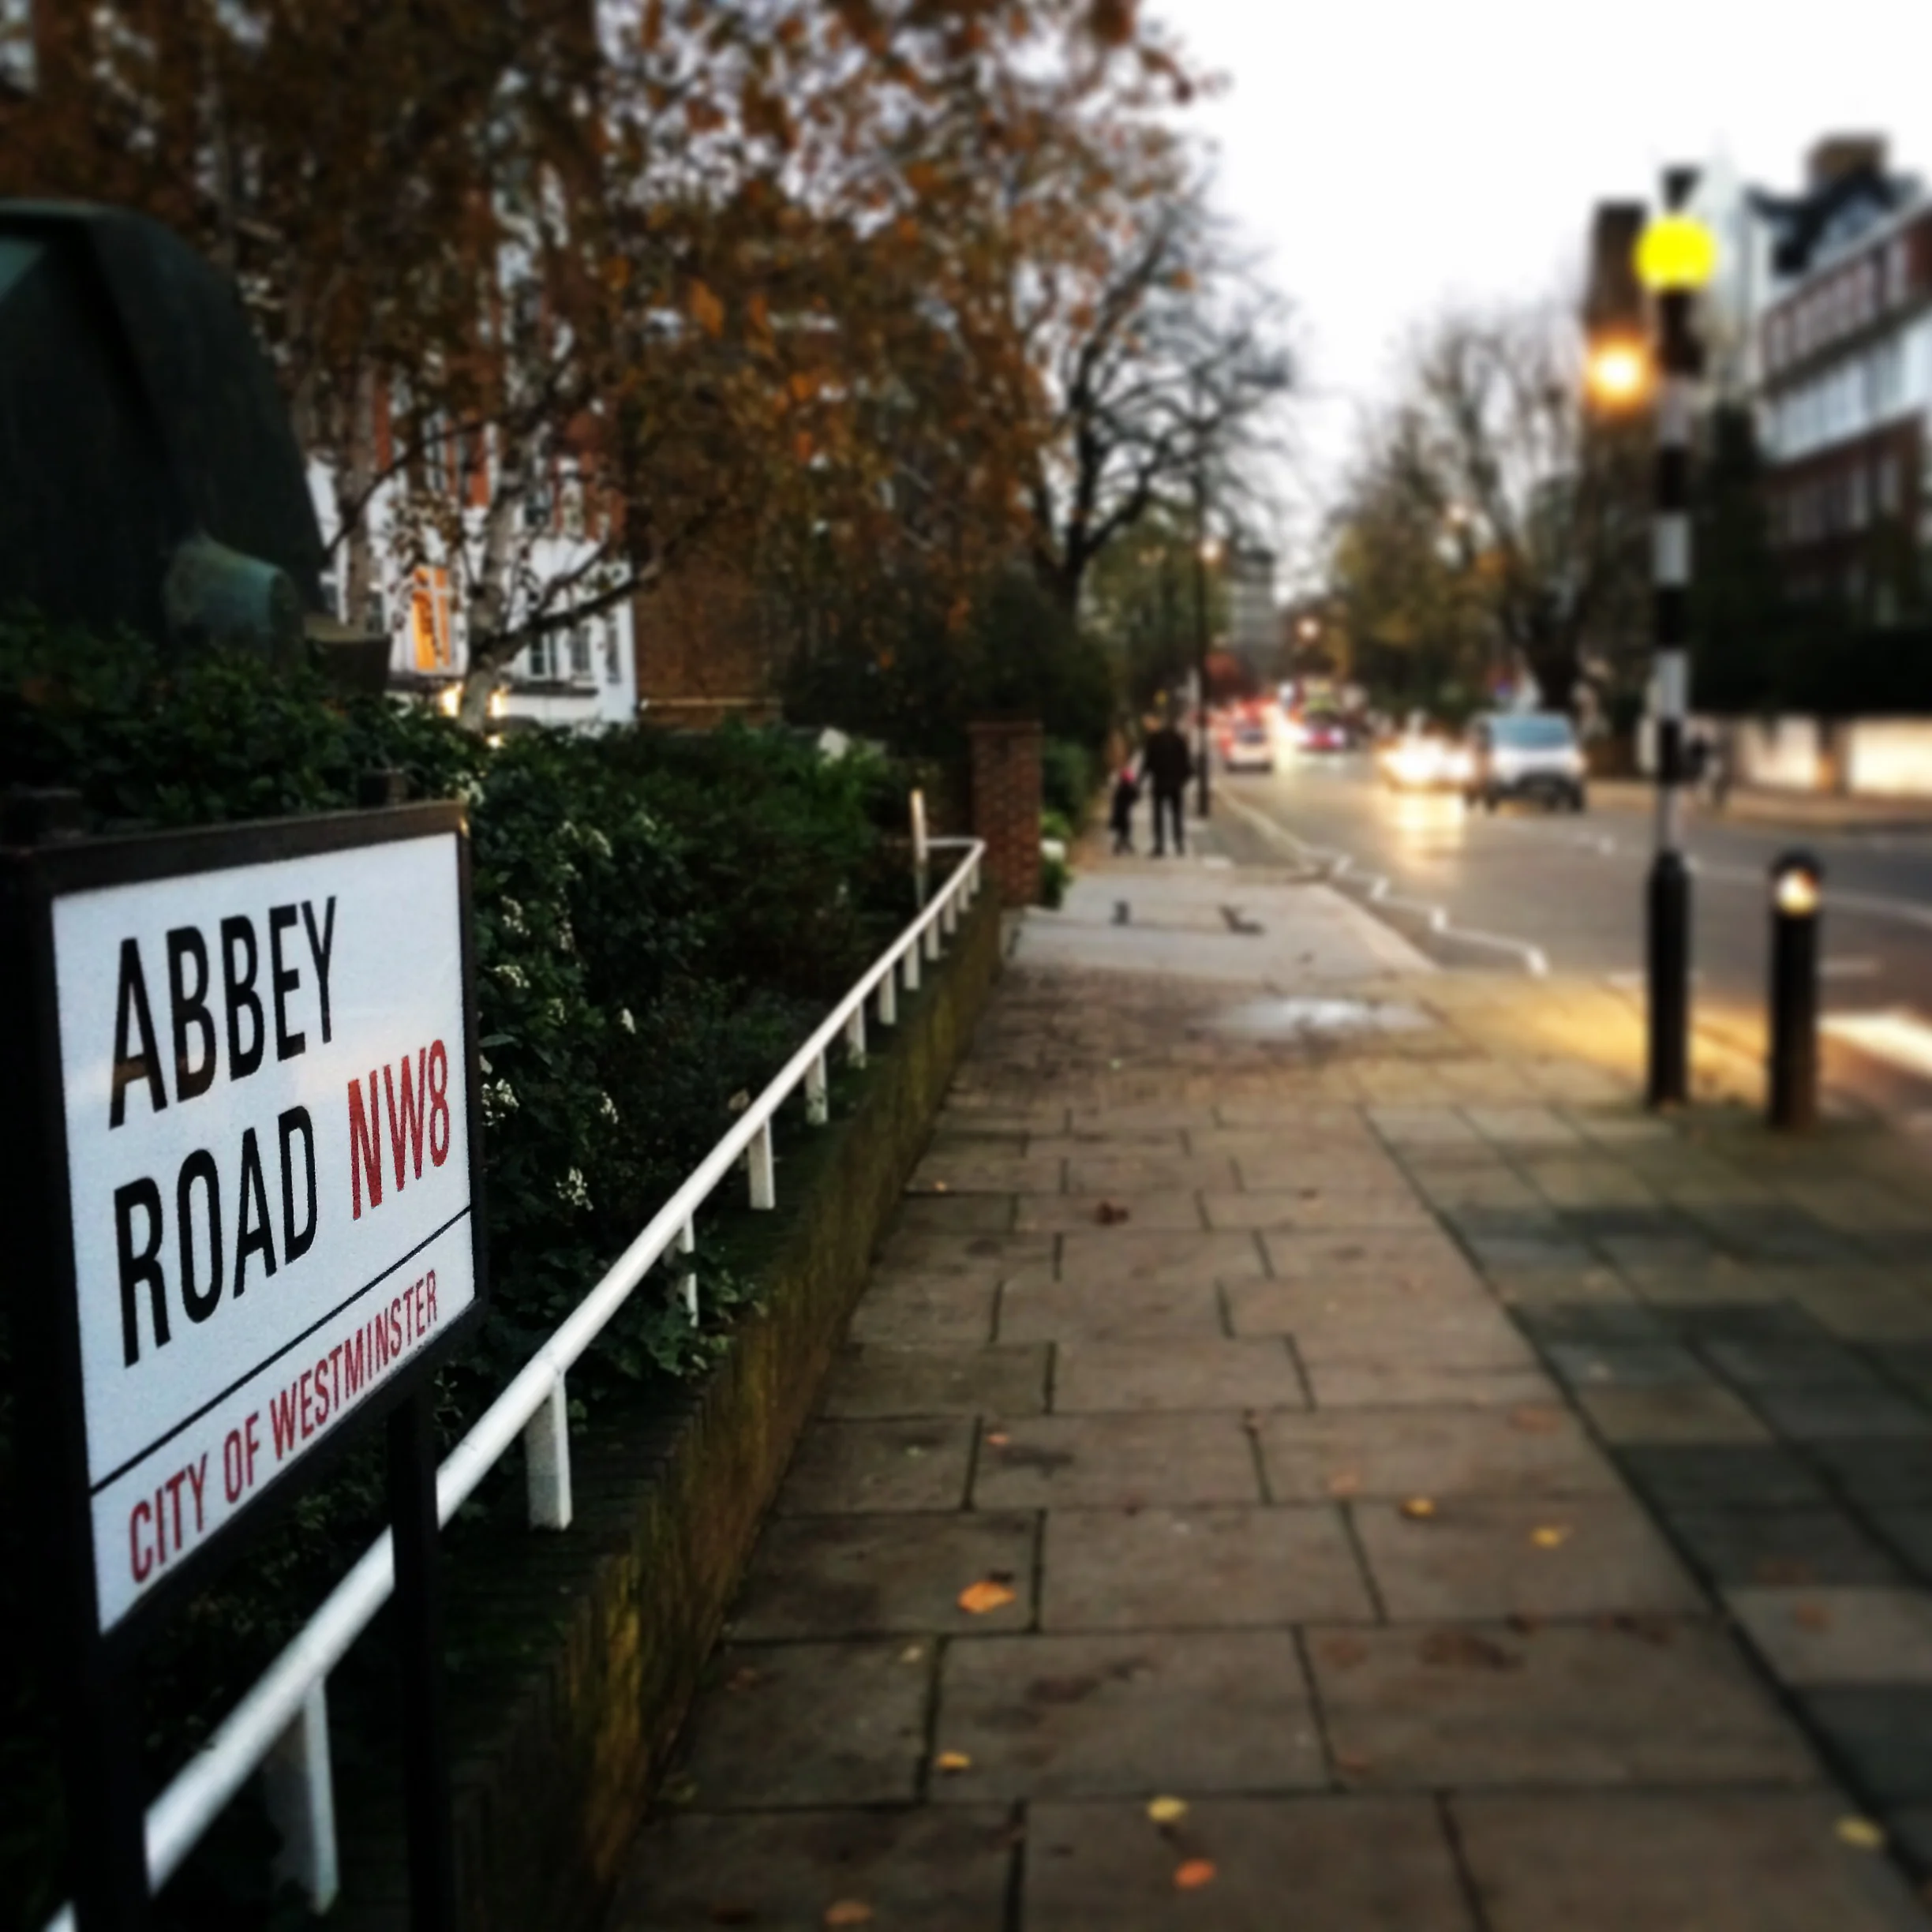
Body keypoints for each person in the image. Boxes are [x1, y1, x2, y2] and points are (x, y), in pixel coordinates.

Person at [1141, 716, 1194, 856]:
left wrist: (1140, 781)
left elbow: (1147, 762)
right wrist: (1183, 780)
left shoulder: (1154, 740)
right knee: (1177, 814)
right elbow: (1187, 762)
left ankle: (1159, 845)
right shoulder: (1179, 740)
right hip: (1175, 784)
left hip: (1159, 782)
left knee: (1158, 815)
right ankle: (1179, 844)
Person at [1108, 751, 1141, 854]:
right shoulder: (1124, 777)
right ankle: (1123, 843)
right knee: (1124, 824)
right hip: (1123, 805)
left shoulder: (1121, 784)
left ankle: (1122, 843)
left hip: (1121, 804)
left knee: (1123, 824)